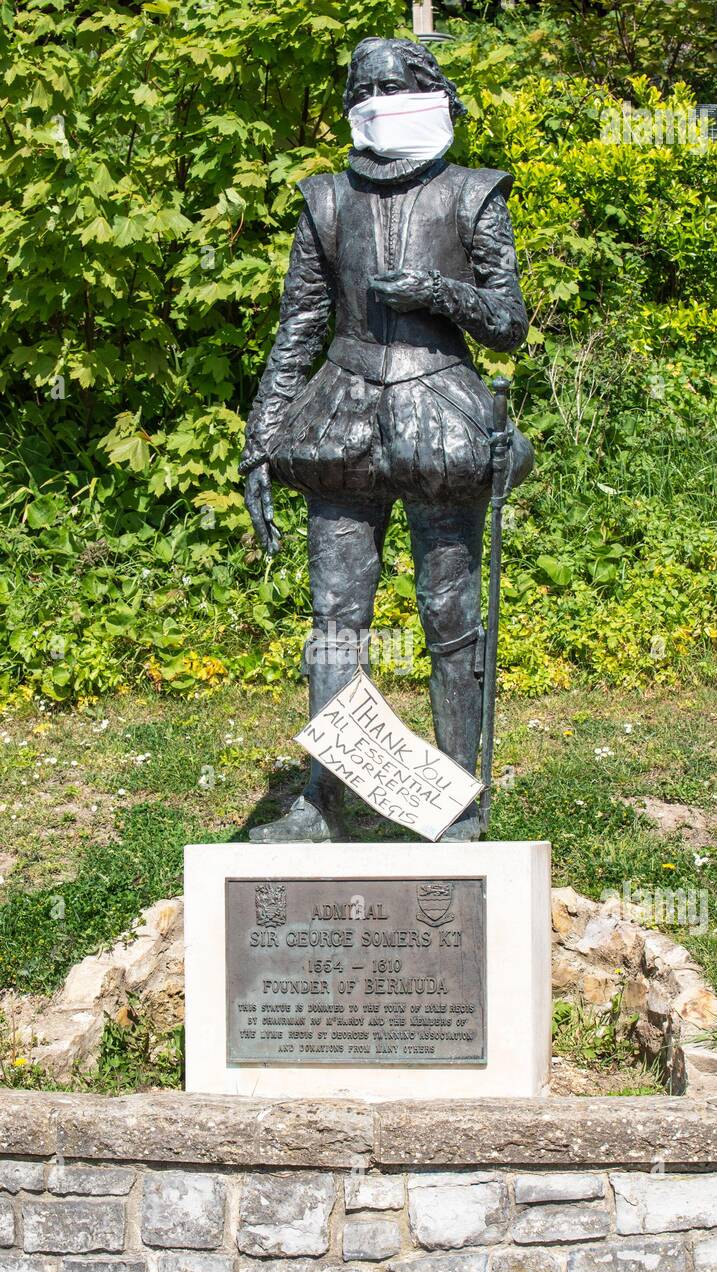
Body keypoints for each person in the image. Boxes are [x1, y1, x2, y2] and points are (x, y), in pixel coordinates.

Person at [241, 36, 533, 843]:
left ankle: (460, 804)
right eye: (361, 87)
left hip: (439, 416)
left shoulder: (474, 195)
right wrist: (260, 441)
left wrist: (439, 292)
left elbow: (508, 325)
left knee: (450, 612)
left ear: (428, 94)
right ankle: (319, 804)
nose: (376, 98)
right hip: (339, 418)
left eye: (393, 85)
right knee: (335, 618)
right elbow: (297, 328)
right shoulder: (326, 199)